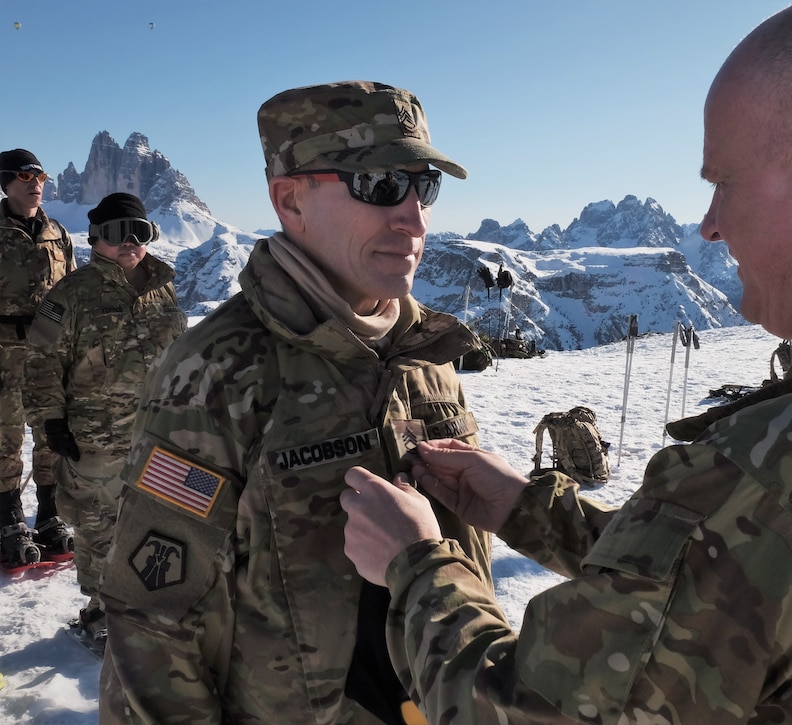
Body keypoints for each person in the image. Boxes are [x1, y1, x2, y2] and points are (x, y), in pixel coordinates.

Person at [339, 2, 792, 723]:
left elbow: (523, 710)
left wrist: (415, 566)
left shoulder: (766, 478)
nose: (710, 223)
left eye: (721, 180)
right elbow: (748, 594)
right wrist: (534, 509)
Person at [97, 81, 493, 725]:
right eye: (381, 184)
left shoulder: (425, 353)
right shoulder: (220, 370)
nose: (415, 219)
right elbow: (152, 625)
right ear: (290, 201)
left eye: (424, 186)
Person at [23, 192, 187, 641]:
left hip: (157, 433)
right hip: (94, 439)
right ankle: (101, 613)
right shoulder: (71, 294)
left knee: (157, 521)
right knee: (98, 529)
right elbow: (40, 363)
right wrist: (51, 422)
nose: (130, 242)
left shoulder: (163, 288)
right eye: (118, 233)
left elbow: (181, 357)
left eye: (141, 231)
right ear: (96, 239)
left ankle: (148, 601)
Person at [0, 148, 76, 570]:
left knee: (51, 431)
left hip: (48, 350)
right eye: (25, 176)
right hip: (3, 352)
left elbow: (73, 292)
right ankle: (9, 515)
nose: (36, 183)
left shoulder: (58, 233)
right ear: (6, 183)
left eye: (40, 176)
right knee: (5, 435)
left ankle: (50, 512)